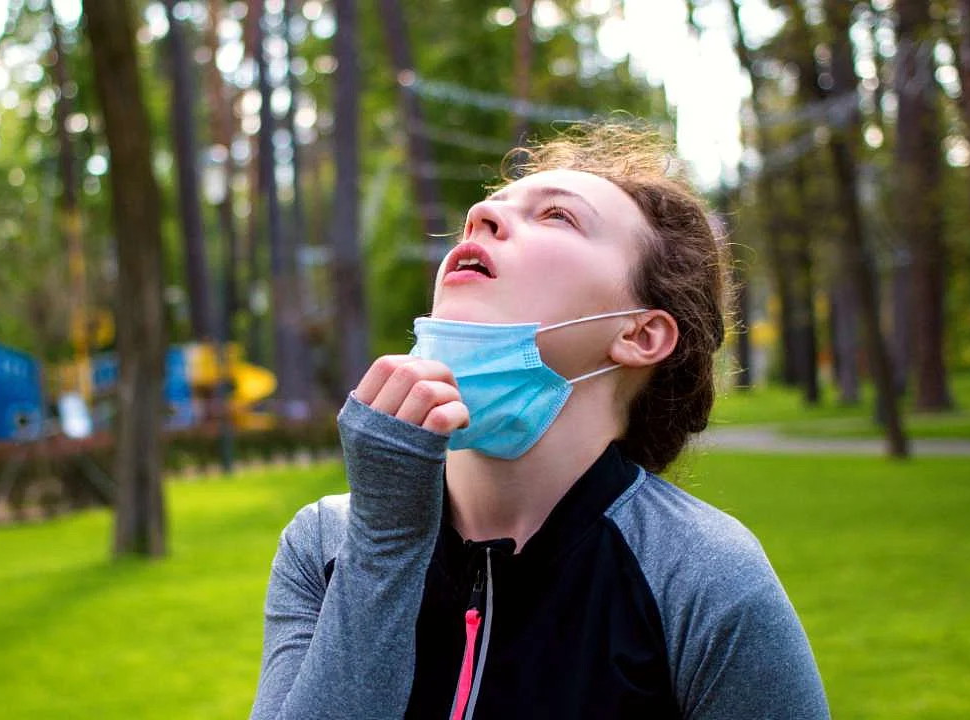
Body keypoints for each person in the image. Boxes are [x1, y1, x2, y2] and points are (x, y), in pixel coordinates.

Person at [249, 123, 829, 720]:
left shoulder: (704, 574)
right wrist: (384, 542)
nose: (479, 215)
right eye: (489, 207)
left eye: (557, 216)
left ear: (639, 333)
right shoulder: (324, 543)